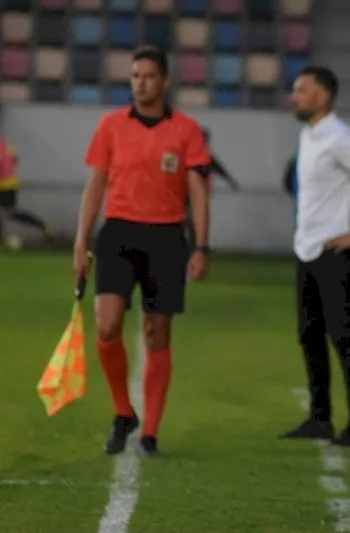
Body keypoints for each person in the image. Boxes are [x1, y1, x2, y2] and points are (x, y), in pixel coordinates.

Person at [73, 45, 212, 457]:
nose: (140, 83)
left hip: (167, 237)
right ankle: (122, 411)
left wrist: (202, 245)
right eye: (135, 76)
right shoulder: (111, 125)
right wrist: (81, 241)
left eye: (148, 76)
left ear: (165, 82)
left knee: (157, 330)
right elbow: (95, 184)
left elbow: (198, 194)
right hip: (117, 233)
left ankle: (150, 431)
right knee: (106, 324)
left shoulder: (186, 130)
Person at [282, 66, 350, 447]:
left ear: (322, 96)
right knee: (309, 334)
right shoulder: (308, 135)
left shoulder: (343, 138)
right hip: (306, 249)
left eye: (301, 89)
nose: (293, 96)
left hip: (334, 252)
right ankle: (320, 418)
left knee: (343, 336)